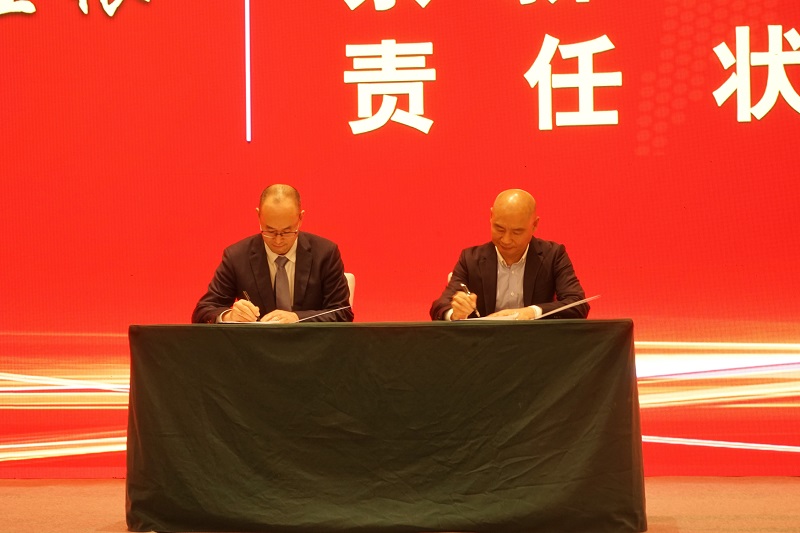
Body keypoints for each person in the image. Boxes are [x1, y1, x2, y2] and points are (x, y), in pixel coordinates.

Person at [192, 184, 354, 324]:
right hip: (256, 347)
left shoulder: (325, 254)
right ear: (258, 216)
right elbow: (203, 311)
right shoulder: (237, 257)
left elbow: (343, 312)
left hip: (310, 345)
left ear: (300, 218)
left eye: (287, 231)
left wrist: (297, 318)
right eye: (269, 231)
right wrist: (229, 316)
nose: (278, 240)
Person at [430, 189, 589, 321]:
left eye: (517, 232)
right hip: (484, 343)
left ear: (534, 225)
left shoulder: (553, 255)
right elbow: (439, 307)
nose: (506, 240)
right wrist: (456, 313)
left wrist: (531, 312)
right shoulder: (470, 259)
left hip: (537, 343)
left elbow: (578, 304)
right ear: (491, 216)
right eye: (499, 229)